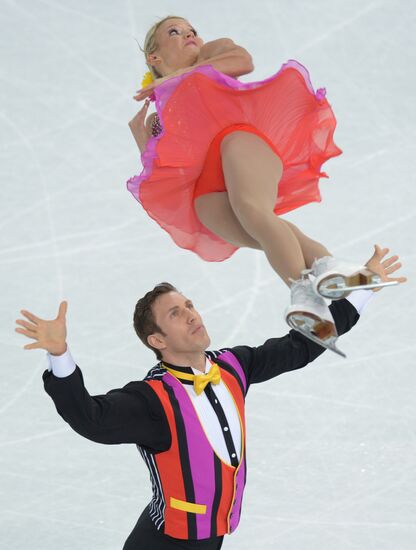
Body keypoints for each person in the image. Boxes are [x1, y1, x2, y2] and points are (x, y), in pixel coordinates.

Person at [15, 246, 405, 549]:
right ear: (157, 341)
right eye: (174, 314)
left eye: (188, 305)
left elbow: (301, 346)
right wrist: (60, 355)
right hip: (164, 544)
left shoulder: (235, 365)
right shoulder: (153, 399)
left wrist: (363, 289)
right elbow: (92, 419)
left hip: (212, 538)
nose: (190, 314)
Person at [126, 16, 404, 354]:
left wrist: (176, 78)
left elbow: (242, 62)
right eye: (175, 32)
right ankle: (327, 269)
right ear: (153, 57)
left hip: (242, 141)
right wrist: (145, 144)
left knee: (253, 210)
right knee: (261, 228)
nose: (189, 35)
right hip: (208, 182)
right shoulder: (157, 116)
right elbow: (168, 172)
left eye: (192, 30)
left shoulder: (211, 54)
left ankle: (306, 295)